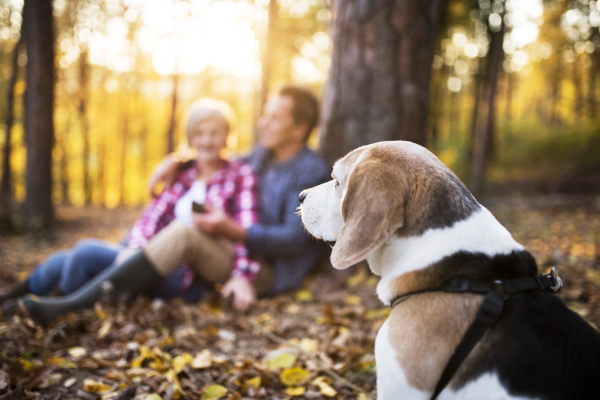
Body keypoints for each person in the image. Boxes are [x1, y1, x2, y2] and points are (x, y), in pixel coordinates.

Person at [4, 98, 262, 326]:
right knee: (65, 258)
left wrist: (242, 275)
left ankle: (65, 309)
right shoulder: (184, 176)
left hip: (186, 275)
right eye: (200, 133)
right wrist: (135, 246)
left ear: (228, 135)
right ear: (191, 137)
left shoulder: (240, 174)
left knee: (84, 253)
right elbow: (152, 217)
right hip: (151, 259)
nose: (207, 140)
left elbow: (246, 233)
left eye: (215, 132)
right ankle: (14, 299)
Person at [148, 85, 331, 297]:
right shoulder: (262, 157)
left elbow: (294, 238)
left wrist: (233, 231)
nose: (264, 124)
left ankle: (113, 280)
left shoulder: (311, 172)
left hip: (269, 273)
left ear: (300, 129)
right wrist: (178, 161)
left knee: (182, 235)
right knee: (139, 233)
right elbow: (221, 161)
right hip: (235, 256)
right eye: (265, 115)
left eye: (275, 118)